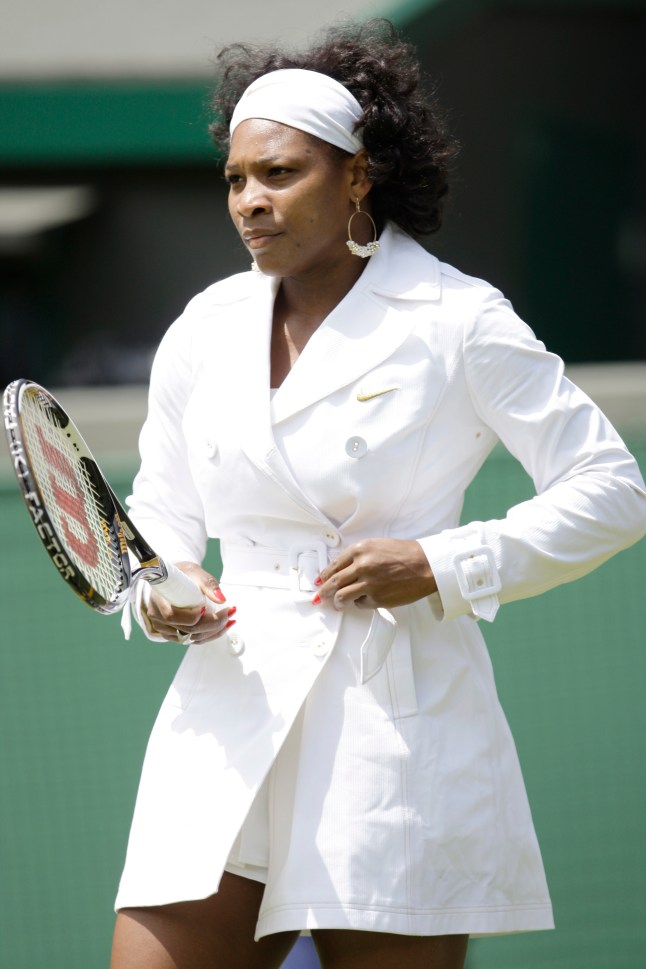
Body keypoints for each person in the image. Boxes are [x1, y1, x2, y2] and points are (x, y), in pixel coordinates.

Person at [109, 19, 646, 969]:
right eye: (236, 179)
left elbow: (612, 489)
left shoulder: (459, 318)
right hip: (225, 713)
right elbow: (160, 511)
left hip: (395, 730)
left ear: (359, 174)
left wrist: (442, 561)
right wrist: (163, 583)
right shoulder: (203, 326)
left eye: (280, 174)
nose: (250, 202)